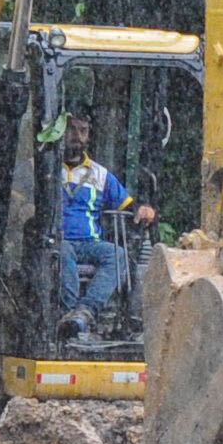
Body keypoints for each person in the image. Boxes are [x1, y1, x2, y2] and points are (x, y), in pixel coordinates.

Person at [53, 111, 151, 332]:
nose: (77, 136)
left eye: (83, 131)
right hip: (59, 240)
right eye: (72, 129)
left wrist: (142, 209)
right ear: (61, 131)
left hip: (89, 244)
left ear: (88, 136)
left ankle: (84, 312)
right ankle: (66, 313)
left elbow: (127, 205)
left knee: (117, 255)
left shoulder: (100, 174)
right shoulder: (47, 167)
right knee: (62, 250)